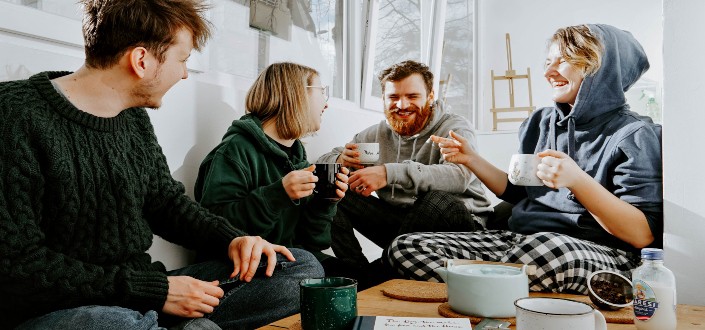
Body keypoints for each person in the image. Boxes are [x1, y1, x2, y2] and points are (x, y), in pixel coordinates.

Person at [0, 1, 323, 329]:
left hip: (141, 292)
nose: (184, 73)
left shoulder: (133, 119)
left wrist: (234, 240)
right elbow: (16, 266)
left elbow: (168, 205)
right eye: (182, 60)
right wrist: (154, 293)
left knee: (299, 269)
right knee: (123, 323)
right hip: (58, 309)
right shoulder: (13, 115)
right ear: (141, 60)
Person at [387, 24, 663, 294]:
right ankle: (503, 288)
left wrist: (577, 180)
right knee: (405, 247)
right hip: (521, 243)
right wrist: (471, 159)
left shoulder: (634, 135)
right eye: (547, 62)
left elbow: (641, 234)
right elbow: (519, 192)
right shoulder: (540, 122)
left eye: (564, 60)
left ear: (601, 70)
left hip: (597, 252)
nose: (548, 72)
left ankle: (480, 286)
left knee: (546, 251)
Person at [317, 60, 492, 281]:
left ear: (430, 96)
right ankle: (357, 274)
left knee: (436, 200)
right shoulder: (374, 136)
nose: (401, 105)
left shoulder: (454, 127)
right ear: (383, 99)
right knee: (337, 191)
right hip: (402, 226)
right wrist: (341, 159)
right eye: (393, 97)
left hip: (459, 227)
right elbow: (322, 162)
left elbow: (459, 176)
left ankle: (377, 275)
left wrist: (389, 173)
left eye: (412, 96)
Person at [194, 62, 354, 283]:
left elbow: (312, 243)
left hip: (291, 260)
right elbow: (213, 229)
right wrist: (278, 194)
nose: (326, 105)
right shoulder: (234, 152)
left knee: (364, 276)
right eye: (322, 93)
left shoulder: (297, 158)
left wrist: (325, 203)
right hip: (245, 266)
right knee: (320, 271)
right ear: (296, 95)